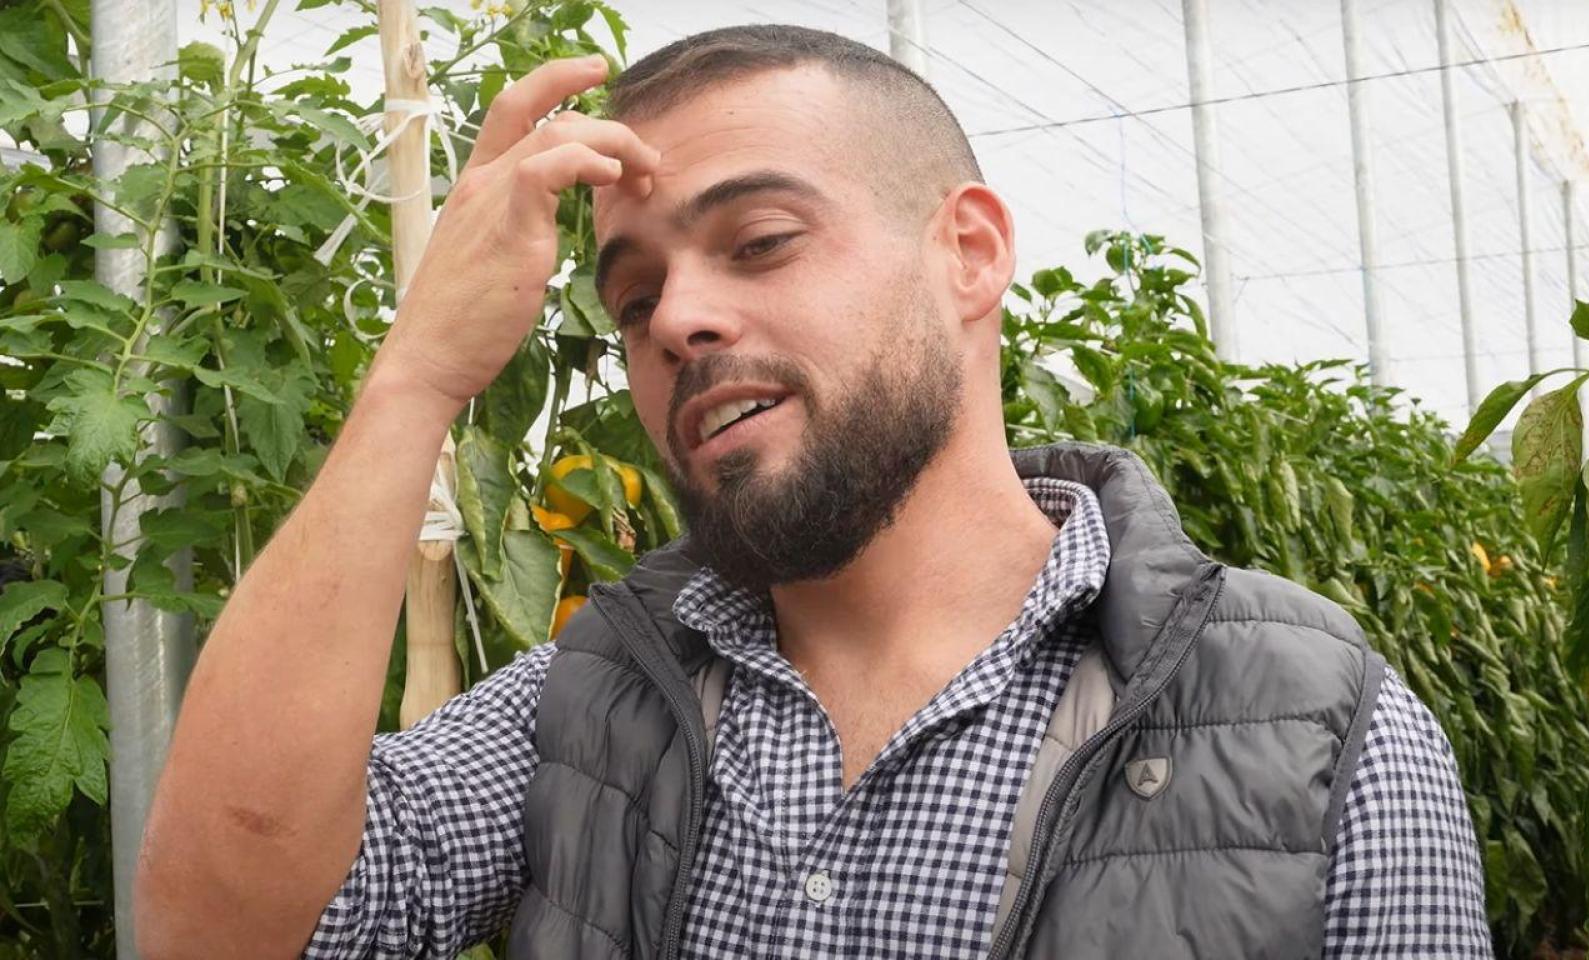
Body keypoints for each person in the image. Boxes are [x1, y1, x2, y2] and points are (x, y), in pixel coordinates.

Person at [134, 25, 1492, 960]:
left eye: (760, 240)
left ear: (966, 253)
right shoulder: (600, 698)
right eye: (632, 297)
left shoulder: (1312, 723)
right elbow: (228, 929)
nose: (680, 320)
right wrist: (415, 380)